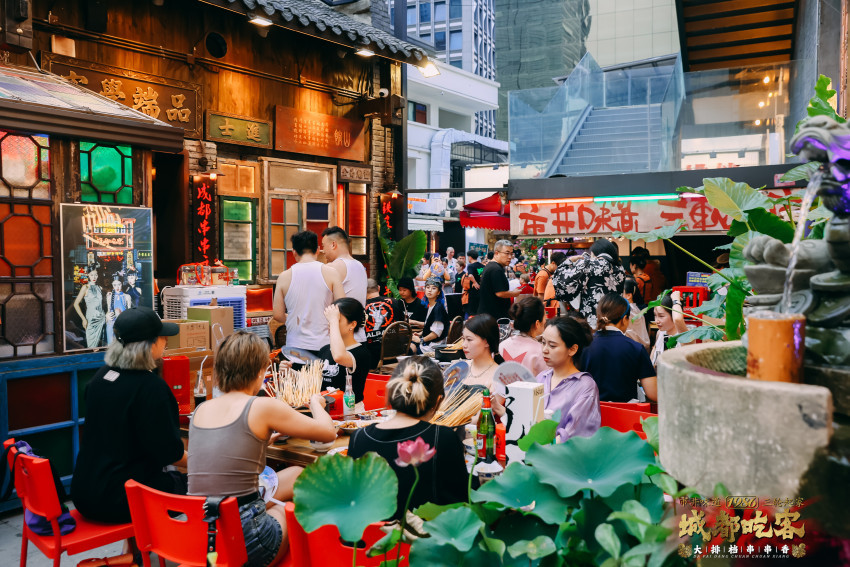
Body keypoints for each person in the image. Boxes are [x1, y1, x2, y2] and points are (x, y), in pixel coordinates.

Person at [188, 331, 336, 567]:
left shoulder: (202, 409)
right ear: (260, 371)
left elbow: (224, 455)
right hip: (247, 540)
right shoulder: (263, 406)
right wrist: (316, 402)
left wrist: (259, 441)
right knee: (296, 507)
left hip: (203, 531)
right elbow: (327, 432)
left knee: (297, 474)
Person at [72, 308, 187, 523]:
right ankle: (208, 555)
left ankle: (135, 552)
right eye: (162, 337)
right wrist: (206, 464)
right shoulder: (152, 388)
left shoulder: (101, 377)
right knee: (204, 486)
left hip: (85, 491)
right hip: (120, 500)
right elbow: (171, 454)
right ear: (149, 345)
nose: (165, 341)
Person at [347, 357, 468, 520]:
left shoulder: (359, 438)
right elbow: (460, 502)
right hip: (423, 541)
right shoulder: (443, 438)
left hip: (369, 542)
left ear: (391, 393)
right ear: (438, 401)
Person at [496, 316, 599, 442]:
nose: (544, 350)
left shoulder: (585, 386)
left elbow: (576, 434)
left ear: (572, 349)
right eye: (543, 342)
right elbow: (524, 420)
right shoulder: (542, 377)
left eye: (552, 345)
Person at [273, 230, 343, 354]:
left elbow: (278, 315)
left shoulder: (284, 277)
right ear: (317, 250)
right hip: (325, 344)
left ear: (294, 252)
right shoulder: (331, 273)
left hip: (295, 345)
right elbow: (343, 307)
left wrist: (295, 319)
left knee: (298, 374)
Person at [581, 294, 657, 402]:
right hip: (625, 415)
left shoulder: (583, 346)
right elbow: (653, 393)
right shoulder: (636, 348)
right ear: (625, 318)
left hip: (590, 413)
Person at [552, 239, 626, 328]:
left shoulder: (590, 264)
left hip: (593, 320)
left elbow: (561, 282)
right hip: (614, 319)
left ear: (594, 253)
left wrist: (570, 261)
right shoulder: (620, 268)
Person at [320, 298, 372, 412]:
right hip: (326, 411)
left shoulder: (361, 353)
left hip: (350, 413)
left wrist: (333, 320)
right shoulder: (324, 350)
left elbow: (339, 356)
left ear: (352, 324)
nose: (330, 323)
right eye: (330, 320)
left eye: (337, 319)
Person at [322, 227, 368, 342]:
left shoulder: (332, 267)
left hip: (341, 338)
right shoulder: (360, 266)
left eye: (323, 246)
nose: (323, 251)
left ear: (333, 244)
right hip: (359, 336)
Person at [499, 296, 547, 377]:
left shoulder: (502, 345)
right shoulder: (540, 350)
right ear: (537, 323)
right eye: (545, 316)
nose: (546, 320)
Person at [364, 279, 406, 364]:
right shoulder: (395, 302)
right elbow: (403, 326)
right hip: (396, 352)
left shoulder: (361, 306)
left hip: (372, 357)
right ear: (379, 288)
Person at [478, 240, 522, 320]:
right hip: (493, 317)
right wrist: (514, 293)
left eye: (511, 254)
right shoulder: (496, 269)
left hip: (489, 315)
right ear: (496, 253)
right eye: (507, 253)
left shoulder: (492, 267)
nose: (509, 257)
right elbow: (500, 293)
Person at [461, 314, 501, 390]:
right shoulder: (461, 367)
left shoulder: (498, 377)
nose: (463, 345)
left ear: (487, 342)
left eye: (469, 339)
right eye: (463, 339)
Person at [651, 290, 689, 367]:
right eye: (655, 315)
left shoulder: (685, 337)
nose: (656, 321)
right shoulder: (660, 333)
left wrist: (676, 299)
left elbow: (678, 319)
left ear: (673, 314)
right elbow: (652, 360)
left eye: (661, 316)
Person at [411, 279, 449, 354]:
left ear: (438, 292)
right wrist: (421, 333)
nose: (430, 290)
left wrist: (421, 340)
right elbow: (430, 326)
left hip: (434, 347)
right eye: (427, 287)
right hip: (429, 344)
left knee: (408, 349)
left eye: (434, 288)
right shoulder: (432, 306)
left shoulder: (438, 308)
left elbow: (436, 333)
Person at [73, 264, 106, 348]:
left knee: (101, 345)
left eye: (96, 274)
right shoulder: (85, 287)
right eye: (91, 275)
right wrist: (83, 319)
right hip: (91, 318)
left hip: (101, 318)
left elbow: (102, 303)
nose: (94, 277)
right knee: (92, 346)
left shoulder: (100, 287)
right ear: (88, 275)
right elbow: (76, 304)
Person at [622, 278, 650, 350]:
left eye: (620, 292)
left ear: (628, 295)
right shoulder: (635, 308)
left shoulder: (629, 310)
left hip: (634, 348)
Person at [106, 276, 131, 344]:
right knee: (111, 343)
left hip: (123, 321)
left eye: (119, 284)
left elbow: (129, 311)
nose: (117, 287)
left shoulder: (127, 296)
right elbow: (108, 310)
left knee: (123, 342)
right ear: (112, 285)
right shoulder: (109, 296)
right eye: (115, 285)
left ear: (122, 284)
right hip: (112, 321)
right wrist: (107, 316)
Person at [464, 250, 485, 316]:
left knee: (472, 312)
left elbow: (470, 275)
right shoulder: (482, 266)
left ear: (470, 257)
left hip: (473, 291)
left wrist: (475, 282)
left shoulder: (471, 266)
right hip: (481, 290)